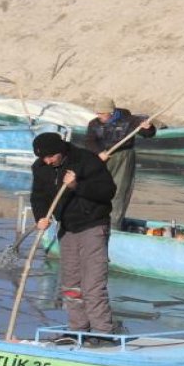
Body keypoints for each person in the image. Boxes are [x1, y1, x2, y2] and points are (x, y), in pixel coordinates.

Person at [31, 132, 118, 335]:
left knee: (93, 285)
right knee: (71, 284)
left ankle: (102, 332)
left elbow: (108, 191)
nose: (47, 161)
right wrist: (41, 217)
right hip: (67, 227)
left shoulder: (85, 160)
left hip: (93, 225)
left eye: (51, 156)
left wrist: (76, 186)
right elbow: (38, 196)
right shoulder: (41, 167)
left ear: (60, 150)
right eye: (43, 157)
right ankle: (78, 329)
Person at [85, 98, 156, 230]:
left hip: (123, 157)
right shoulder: (94, 124)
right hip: (102, 157)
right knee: (97, 189)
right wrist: (99, 152)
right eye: (98, 113)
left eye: (102, 113)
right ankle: (95, 220)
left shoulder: (130, 121)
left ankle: (113, 226)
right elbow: (89, 141)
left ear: (111, 113)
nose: (99, 116)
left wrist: (149, 127)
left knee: (119, 192)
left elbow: (148, 134)